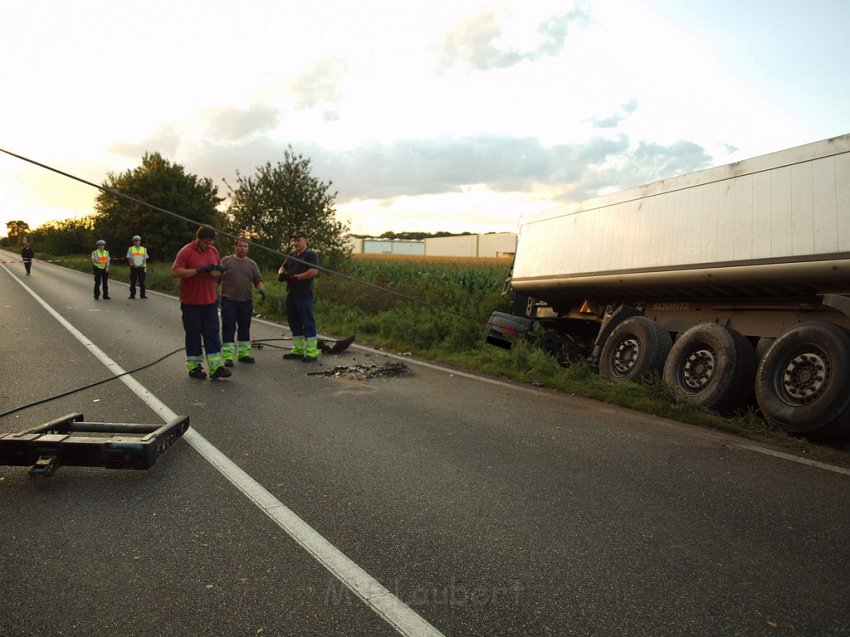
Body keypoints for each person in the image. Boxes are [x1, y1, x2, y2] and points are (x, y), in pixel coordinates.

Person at [171, 226, 231, 380]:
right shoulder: (186, 251)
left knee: (212, 333)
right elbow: (175, 271)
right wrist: (197, 270)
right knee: (193, 334)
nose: (208, 246)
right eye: (205, 243)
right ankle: (194, 366)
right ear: (198, 238)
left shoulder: (213, 251)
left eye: (210, 243)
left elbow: (217, 273)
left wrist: (220, 270)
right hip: (191, 302)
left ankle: (216, 366)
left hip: (210, 301)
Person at [220, 237, 266, 366]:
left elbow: (258, 280)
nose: (242, 248)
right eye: (240, 246)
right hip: (229, 300)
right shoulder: (226, 261)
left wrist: (261, 289)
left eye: (245, 246)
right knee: (229, 327)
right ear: (235, 247)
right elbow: (216, 278)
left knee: (244, 328)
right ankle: (228, 357)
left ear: (248, 248)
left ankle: (244, 354)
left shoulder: (252, 264)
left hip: (246, 301)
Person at [278, 230, 320, 363]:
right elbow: (282, 267)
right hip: (291, 294)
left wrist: (296, 277)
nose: (296, 243)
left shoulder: (310, 254)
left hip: (304, 294)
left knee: (307, 322)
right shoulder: (291, 254)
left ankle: (312, 352)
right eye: (294, 240)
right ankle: (298, 350)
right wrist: (281, 274)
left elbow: (313, 272)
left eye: (299, 240)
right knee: (294, 322)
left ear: (306, 240)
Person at [126, 234, 149, 299]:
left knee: (142, 281)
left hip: (142, 267)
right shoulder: (131, 249)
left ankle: (143, 295)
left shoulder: (144, 249)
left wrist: (142, 264)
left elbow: (145, 258)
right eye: (135, 241)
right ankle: (132, 295)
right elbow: (129, 258)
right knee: (133, 281)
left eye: (138, 241)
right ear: (133, 242)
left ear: (140, 241)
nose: (137, 242)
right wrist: (134, 264)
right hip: (134, 267)